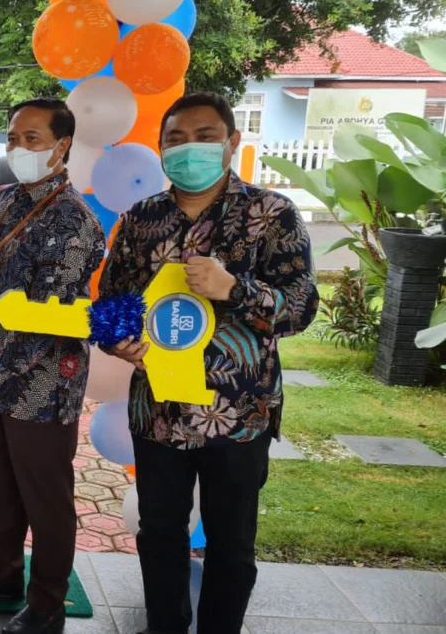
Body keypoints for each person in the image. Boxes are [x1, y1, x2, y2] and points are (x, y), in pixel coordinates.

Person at [99, 92, 319, 634]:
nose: (189, 148)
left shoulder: (271, 215)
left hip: (238, 414)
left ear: (231, 143)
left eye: (204, 136)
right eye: (175, 139)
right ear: (160, 148)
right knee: (160, 536)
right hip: (159, 411)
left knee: (232, 544)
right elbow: (110, 301)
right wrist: (118, 338)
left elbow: (300, 308)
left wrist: (233, 288)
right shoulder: (141, 218)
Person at [0, 98, 107, 634]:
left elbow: (53, 319)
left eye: (32, 139)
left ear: (63, 145)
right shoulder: (4, 199)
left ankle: (48, 603)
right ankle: (1, 573)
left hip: (42, 381)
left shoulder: (75, 220)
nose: (18, 149)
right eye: (12, 138)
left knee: (45, 494)